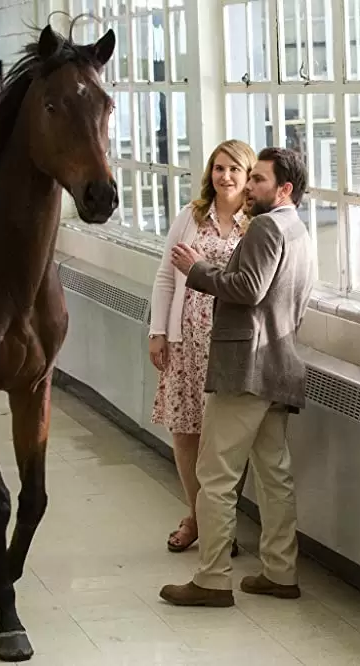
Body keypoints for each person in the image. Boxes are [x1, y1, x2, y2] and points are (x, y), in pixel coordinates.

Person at [158, 147, 314, 608]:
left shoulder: (267, 225)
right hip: (279, 364)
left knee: (216, 473)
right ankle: (280, 572)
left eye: (259, 180)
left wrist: (197, 270)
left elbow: (249, 288)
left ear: (284, 189)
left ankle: (211, 579)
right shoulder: (299, 230)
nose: (249, 187)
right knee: (274, 474)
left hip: (245, 367)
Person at [148, 139, 257, 554]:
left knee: (225, 440)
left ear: (247, 178)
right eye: (218, 168)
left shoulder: (256, 224)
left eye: (234, 169)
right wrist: (158, 332)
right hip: (185, 343)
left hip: (229, 347)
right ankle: (198, 517)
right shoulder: (191, 217)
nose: (225, 176)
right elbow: (164, 276)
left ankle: (219, 524)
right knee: (186, 432)